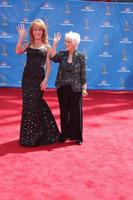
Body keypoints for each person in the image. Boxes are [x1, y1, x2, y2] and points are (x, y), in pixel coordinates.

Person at [15, 19, 61, 146]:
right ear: (32, 31)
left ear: (43, 32)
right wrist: (21, 37)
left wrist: (46, 79)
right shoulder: (28, 44)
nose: (37, 32)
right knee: (28, 105)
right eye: (35, 29)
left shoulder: (47, 47)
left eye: (39, 29)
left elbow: (48, 66)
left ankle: (42, 133)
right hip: (27, 79)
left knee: (36, 104)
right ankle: (28, 136)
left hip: (39, 79)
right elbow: (18, 51)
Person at [51, 31, 88, 145]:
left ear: (75, 43)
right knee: (64, 111)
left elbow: (83, 73)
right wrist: (55, 44)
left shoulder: (81, 56)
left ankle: (77, 137)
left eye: (69, 41)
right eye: (65, 41)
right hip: (62, 87)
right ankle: (65, 135)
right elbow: (53, 58)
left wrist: (84, 87)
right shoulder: (62, 54)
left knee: (76, 112)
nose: (66, 43)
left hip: (76, 88)